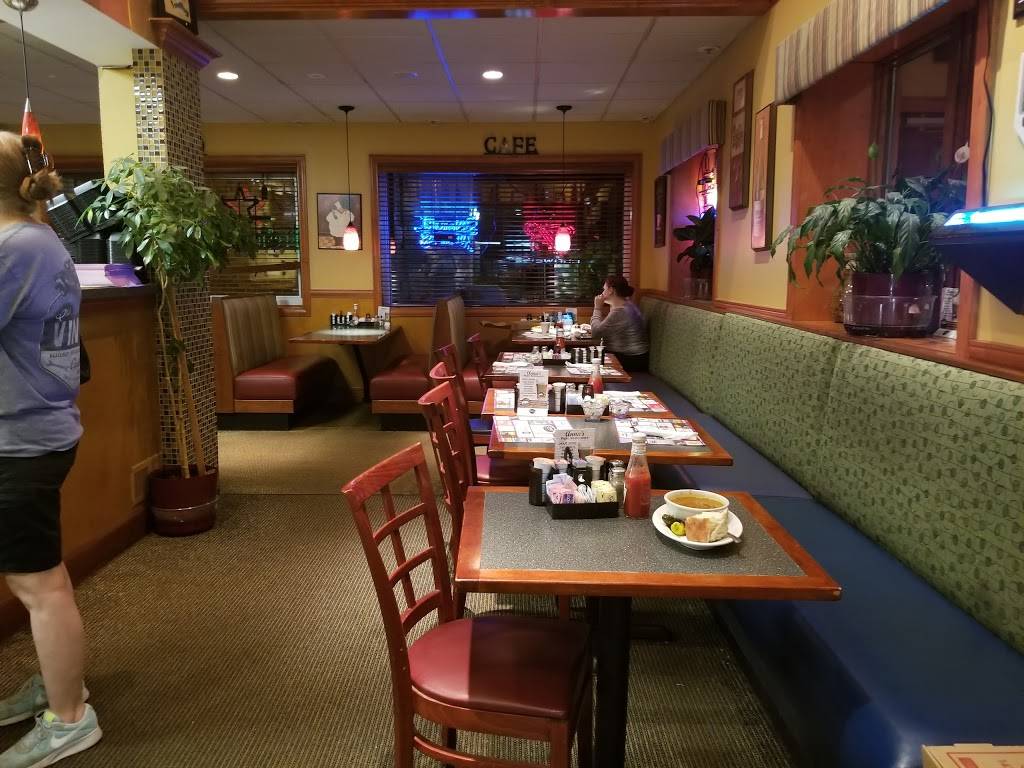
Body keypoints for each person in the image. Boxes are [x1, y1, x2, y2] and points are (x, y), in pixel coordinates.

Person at [0, 132, 101, 767]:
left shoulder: (15, 247)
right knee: (38, 579)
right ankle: (60, 682)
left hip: (21, 439)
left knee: (39, 584)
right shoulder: (39, 239)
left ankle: (69, 717)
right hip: (39, 429)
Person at [590, 275, 649, 372]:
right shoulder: (627, 305)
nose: (602, 293)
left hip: (632, 359)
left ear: (611, 290)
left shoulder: (620, 311)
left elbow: (596, 334)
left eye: (604, 289)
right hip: (633, 356)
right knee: (589, 357)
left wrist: (597, 308)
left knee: (588, 359)